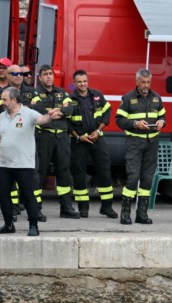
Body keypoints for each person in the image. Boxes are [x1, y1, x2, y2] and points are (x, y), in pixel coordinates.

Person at [0, 87, 62, 236]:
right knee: (4, 196)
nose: (2, 102)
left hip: (23, 164)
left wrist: (50, 116)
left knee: (28, 195)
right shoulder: (2, 116)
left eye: (4, 99)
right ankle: (8, 225)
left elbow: (42, 120)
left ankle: (33, 226)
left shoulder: (28, 113)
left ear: (14, 100)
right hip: (4, 164)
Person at [115, 68, 166, 225]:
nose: (146, 85)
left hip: (152, 143)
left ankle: (141, 214)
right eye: (143, 82)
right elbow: (119, 120)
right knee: (133, 178)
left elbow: (163, 116)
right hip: (135, 143)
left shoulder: (156, 98)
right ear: (136, 82)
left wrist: (162, 122)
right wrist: (135, 124)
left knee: (147, 179)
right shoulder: (128, 98)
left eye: (148, 82)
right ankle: (125, 213)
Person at [31, 65, 80, 220]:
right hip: (44, 137)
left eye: (50, 74)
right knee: (40, 172)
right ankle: (36, 209)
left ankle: (66, 208)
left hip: (62, 138)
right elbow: (38, 109)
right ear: (40, 77)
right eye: (45, 74)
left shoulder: (62, 92)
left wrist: (58, 112)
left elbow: (70, 108)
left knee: (64, 171)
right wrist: (58, 112)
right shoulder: (35, 93)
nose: (48, 76)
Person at [68, 69, 117, 219]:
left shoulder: (97, 95)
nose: (83, 84)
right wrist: (78, 137)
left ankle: (107, 207)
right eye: (79, 82)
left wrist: (98, 130)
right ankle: (83, 207)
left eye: (85, 81)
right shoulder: (69, 99)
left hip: (97, 138)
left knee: (104, 171)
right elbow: (66, 122)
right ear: (74, 83)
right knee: (79, 174)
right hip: (79, 141)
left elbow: (107, 112)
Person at [1, 64, 38, 218]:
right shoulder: (2, 94)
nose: (19, 76)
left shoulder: (31, 91)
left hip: (27, 143)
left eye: (21, 74)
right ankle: (14, 209)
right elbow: (0, 114)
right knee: (7, 187)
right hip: (8, 145)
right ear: (8, 75)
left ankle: (35, 215)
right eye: (15, 74)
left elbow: (40, 110)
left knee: (30, 184)